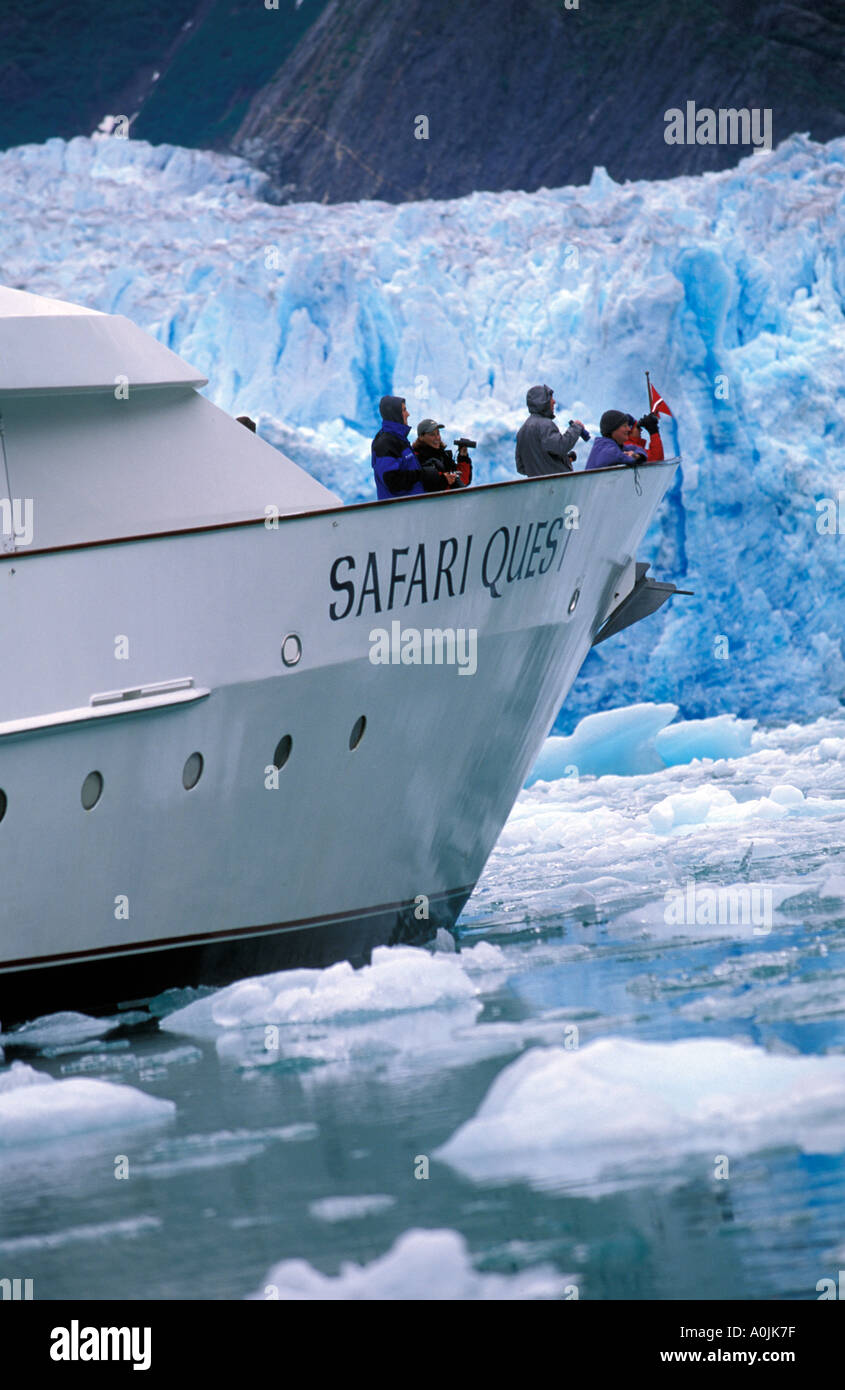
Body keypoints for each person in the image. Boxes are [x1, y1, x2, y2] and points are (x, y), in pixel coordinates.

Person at [515, 385, 585, 476]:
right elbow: (560, 446)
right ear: (542, 402)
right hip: (557, 486)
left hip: (537, 488)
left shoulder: (522, 431)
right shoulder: (545, 425)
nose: (554, 401)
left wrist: (558, 461)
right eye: (550, 397)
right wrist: (576, 428)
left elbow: (521, 467)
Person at [371, 396, 425, 499]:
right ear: (395, 414)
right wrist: (422, 474)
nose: (408, 414)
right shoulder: (385, 443)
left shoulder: (398, 438)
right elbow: (392, 482)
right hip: (400, 510)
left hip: (411, 507)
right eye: (404, 410)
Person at [412, 419, 473, 491]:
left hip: (449, 500)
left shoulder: (443, 456)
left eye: (438, 433)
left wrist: (463, 457)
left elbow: (463, 481)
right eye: (432, 434)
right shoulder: (416, 458)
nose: (437, 438)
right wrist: (444, 480)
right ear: (421, 437)